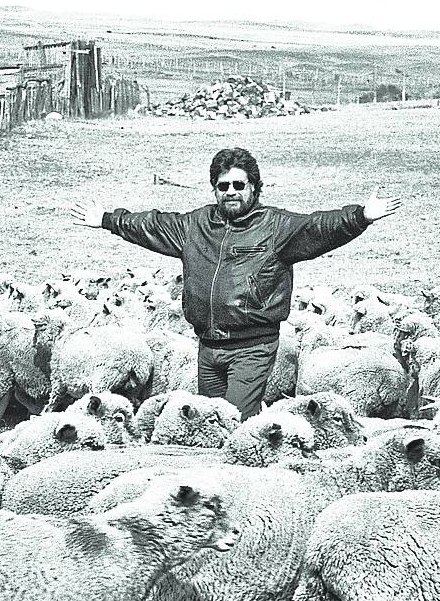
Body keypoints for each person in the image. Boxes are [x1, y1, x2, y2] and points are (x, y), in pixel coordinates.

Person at [71, 146, 401, 420]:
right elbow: (152, 225)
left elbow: (318, 227)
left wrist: (359, 217)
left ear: (255, 188)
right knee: (211, 423)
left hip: (252, 346)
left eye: (239, 185)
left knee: (231, 419)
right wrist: (107, 220)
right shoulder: (195, 226)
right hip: (208, 347)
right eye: (223, 186)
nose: (231, 191)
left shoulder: (275, 226)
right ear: (214, 189)